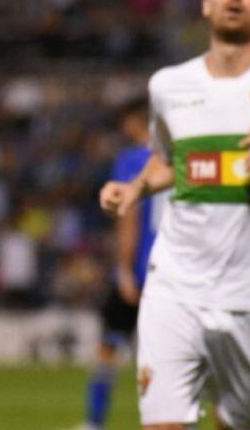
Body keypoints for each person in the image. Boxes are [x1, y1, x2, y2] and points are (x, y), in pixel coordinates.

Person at [99, 0, 250, 430]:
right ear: (206, 2)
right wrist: (135, 189)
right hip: (175, 285)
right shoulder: (168, 86)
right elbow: (171, 160)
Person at [77, 99, 166, 430]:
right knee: (173, 356)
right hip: (178, 269)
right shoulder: (178, 155)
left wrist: (124, 270)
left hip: (143, 270)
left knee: (108, 347)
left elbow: (129, 216)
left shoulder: (133, 160)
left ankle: (93, 422)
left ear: (134, 121)